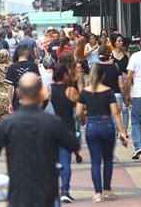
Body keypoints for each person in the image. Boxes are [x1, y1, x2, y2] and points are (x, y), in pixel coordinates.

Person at [0, 73, 80, 207]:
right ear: (40, 92)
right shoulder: (52, 122)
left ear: (18, 92)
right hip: (46, 193)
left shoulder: (7, 125)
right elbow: (73, 144)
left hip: (19, 193)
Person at [76, 64, 128, 203]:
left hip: (91, 126)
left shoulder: (85, 92)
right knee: (107, 159)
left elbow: (78, 112)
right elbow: (115, 112)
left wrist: (84, 117)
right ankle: (107, 189)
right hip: (107, 126)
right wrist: (122, 131)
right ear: (103, 76)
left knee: (95, 161)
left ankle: (97, 193)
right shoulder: (108, 91)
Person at [50, 64, 79, 203]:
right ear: (65, 75)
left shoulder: (46, 90)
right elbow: (80, 109)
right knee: (65, 161)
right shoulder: (71, 91)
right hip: (66, 130)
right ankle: (65, 191)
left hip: (49, 130)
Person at [98, 45, 126, 137]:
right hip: (116, 95)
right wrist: (125, 98)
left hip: (101, 96)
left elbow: (94, 84)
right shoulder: (116, 66)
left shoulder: (97, 67)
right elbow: (121, 85)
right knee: (115, 120)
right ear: (110, 54)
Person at [5, 44, 41, 113]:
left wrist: (10, 103)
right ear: (27, 52)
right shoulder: (33, 65)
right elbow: (39, 84)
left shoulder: (12, 67)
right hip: (32, 100)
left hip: (17, 101)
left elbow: (10, 87)